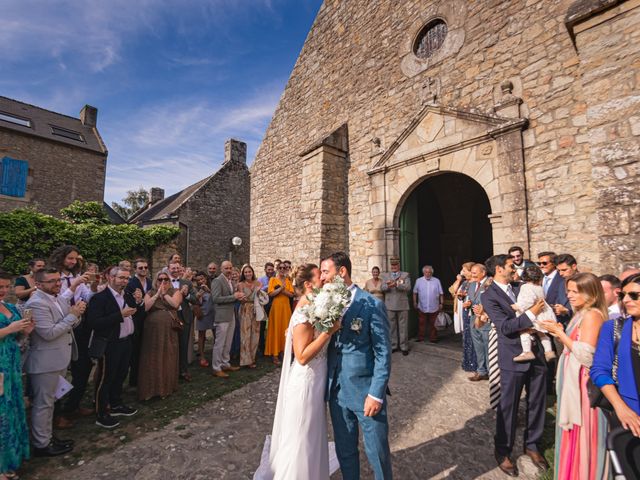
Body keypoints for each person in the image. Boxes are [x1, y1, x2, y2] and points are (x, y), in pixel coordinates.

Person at [323, 252, 393, 480]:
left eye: (326, 272)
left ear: (341, 271)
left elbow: (383, 352)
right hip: (336, 391)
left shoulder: (371, 304)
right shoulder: (324, 303)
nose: (322, 278)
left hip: (366, 392)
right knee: (345, 449)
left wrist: (376, 393)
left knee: (377, 451)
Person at [481, 254, 548, 477]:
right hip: (512, 356)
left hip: (536, 352)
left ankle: (533, 445)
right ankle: (503, 451)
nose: (515, 269)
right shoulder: (488, 296)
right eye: (511, 266)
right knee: (508, 405)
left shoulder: (522, 286)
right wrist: (533, 313)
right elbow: (506, 327)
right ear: (499, 269)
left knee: (537, 401)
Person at [540, 273, 609, 479]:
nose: (569, 295)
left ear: (590, 293)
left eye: (574, 291)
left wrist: (559, 334)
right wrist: (561, 331)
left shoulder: (592, 315)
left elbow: (586, 355)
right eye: (568, 291)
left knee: (583, 429)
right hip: (572, 377)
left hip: (582, 382)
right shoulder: (581, 313)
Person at [25, 267, 86, 456]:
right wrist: (73, 315)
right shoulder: (36, 303)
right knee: (43, 404)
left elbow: (70, 324)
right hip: (45, 361)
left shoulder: (58, 298)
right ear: (38, 284)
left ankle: (48, 436)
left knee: (52, 401)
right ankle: (42, 444)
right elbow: (48, 333)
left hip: (60, 358)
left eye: (58, 280)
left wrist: (77, 314)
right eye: (52, 281)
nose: (57, 284)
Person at [86, 266, 142, 429]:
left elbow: (134, 312)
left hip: (126, 341)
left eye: (126, 278)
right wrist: (120, 315)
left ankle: (116, 404)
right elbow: (94, 322)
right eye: (121, 278)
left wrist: (138, 303)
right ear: (110, 278)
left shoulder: (127, 296)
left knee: (121, 374)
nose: (124, 281)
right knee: (107, 378)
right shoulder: (100, 298)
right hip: (109, 343)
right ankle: (102, 412)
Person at [49, 245, 95, 424]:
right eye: (70, 258)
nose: (73, 262)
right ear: (61, 258)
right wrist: (74, 286)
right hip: (60, 327)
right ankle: (56, 414)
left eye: (75, 259)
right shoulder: (53, 278)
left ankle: (72, 405)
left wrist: (93, 286)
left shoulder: (75, 277)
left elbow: (88, 296)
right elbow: (57, 303)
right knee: (59, 372)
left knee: (84, 366)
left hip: (79, 326)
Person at [591, 273, 640, 435]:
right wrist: (620, 407)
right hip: (628, 415)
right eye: (623, 295)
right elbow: (599, 370)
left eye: (634, 295)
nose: (626, 300)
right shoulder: (612, 328)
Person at [0, 271, 33, 478]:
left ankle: (13, 457)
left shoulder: (11, 307)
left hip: (12, 364)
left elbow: (17, 339)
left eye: (5, 287)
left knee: (12, 409)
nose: (3, 291)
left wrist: (25, 331)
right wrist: (8, 329)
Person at [138, 271, 183, 401]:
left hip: (169, 330)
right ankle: (151, 388)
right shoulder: (150, 292)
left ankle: (166, 386)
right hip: (152, 331)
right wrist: (157, 294)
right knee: (152, 356)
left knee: (168, 354)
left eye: (166, 279)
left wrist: (164, 294)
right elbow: (145, 308)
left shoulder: (175, 291)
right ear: (155, 281)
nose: (163, 282)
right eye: (160, 279)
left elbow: (175, 304)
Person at [511, 265, 557, 363]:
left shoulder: (525, 287)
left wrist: (518, 306)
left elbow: (528, 300)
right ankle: (548, 351)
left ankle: (527, 351)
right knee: (542, 334)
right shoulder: (539, 287)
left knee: (524, 331)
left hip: (533, 314)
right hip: (543, 314)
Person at [210, 261, 245, 377]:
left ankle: (225, 363)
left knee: (228, 341)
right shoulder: (217, 281)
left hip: (231, 315)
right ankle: (216, 367)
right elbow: (215, 298)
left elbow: (230, 297)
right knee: (219, 343)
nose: (229, 270)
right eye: (226, 268)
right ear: (221, 269)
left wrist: (238, 297)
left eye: (230, 268)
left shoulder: (229, 281)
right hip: (222, 316)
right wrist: (233, 297)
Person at [124, 258, 152, 387]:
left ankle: (144, 376)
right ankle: (133, 380)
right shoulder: (130, 284)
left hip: (148, 319)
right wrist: (139, 302)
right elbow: (129, 303)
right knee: (135, 351)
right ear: (135, 269)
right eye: (141, 268)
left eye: (145, 267)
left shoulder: (150, 282)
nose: (144, 270)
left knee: (145, 349)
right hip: (135, 320)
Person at [169, 262, 197, 382]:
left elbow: (195, 299)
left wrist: (186, 295)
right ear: (168, 269)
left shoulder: (187, 283)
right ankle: (170, 371)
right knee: (170, 345)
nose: (175, 270)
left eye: (177, 268)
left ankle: (183, 371)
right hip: (170, 316)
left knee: (183, 344)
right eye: (173, 268)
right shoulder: (164, 281)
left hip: (184, 316)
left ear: (180, 269)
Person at [265, 262, 294, 366]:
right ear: (277, 269)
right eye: (280, 267)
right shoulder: (273, 280)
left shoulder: (288, 280)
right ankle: (275, 354)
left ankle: (283, 351)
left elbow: (291, 294)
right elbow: (270, 293)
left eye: (284, 268)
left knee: (285, 329)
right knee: (276, 329)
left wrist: (281, 290)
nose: (282, 269)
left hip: (286, 308)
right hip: (276, 308)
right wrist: (282, 289)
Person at [381, 256, 411, 355]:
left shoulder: (405, 275)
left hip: (402, 304)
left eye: (395, 265)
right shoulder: (385, 276)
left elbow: (408, 287)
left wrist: (397, 285)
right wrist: (389, 286)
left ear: (399, 265)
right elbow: (382, 288)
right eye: (392, 265)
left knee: (403, 327)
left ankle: (404, 347)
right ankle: (393, 345)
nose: (394, 267)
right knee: (391, 327)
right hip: (390, 304)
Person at [467, 263, 491, 381]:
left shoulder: (490, 284)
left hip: (485, 320)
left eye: (475, 273)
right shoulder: (471, 285)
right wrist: (468, 305)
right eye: (471, 272)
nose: (472, 275)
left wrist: (484, 310)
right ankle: (481, 371)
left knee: (488, 347)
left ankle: (492, 372)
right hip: (473, 320)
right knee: (478, 347)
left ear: (483, 273)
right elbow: (471, 300)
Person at [237, 264, 262, 368]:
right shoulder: (240, 284)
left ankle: (252, 357)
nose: (248, 273)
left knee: (255, 334)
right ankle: (245, 360)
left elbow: (261, 297)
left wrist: (258, 292)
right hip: (245, 309)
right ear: (243, 274)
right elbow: (242, 299)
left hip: (256, 309)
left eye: (249, 271)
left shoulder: (258, 283)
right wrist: (253, 292)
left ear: (252, 272)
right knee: (245, 334)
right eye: (246, 272)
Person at [537, 251, 572, 326]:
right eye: (539, 263)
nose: (541, 266)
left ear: (553, 264)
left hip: (561, 322)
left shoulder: (563, 278)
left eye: (544, 263)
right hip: (542, 322)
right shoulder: (537, 278)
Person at [413, 265, 443, 344]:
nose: (428, 274)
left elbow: (441, 293)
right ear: (423, 272)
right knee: (421, 323)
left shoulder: (437, 281)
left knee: (434, 324)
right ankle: (420, 337)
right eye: (426, 272)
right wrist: (414, 302)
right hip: (422, 305)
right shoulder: (419, 281)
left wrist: (441, 303)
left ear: (432, 273)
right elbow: (414, 293)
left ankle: (433, 338)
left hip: (434, 306)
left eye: (429, 272)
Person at [449, 261, 475, 335]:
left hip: (469, 310)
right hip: (460, 308)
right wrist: (459, 280)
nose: (462, 273)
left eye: (464, 270)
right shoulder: (463, 282)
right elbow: (452, 290)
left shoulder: (475, 282)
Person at [194, 272, 214, 367]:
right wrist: (198, 297)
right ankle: (202, 356)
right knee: (201, 336)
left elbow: (216, 298)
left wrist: (209, 290)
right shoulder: (196, 290)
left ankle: (216, 354)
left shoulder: (212, 286)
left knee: (216, 334)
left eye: (202, 279)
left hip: (213, 314)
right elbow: (194, 301)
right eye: (198, 280)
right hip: (202, 315)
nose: (200, 281)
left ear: (205, 278)